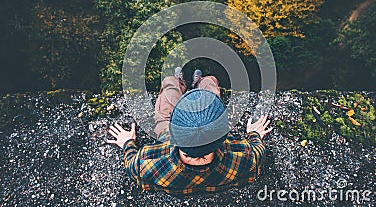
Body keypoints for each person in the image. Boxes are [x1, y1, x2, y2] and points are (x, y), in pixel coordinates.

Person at [107, 68, 273, 196]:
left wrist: (128, 143)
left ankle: (178, 83)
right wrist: (254, 134)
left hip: (169, 140)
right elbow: (259, 151)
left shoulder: (148, 162)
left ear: (173, 127)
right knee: (211, 84)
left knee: (168, 87)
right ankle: (201, 83)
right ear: (223, 133)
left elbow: (131, 165)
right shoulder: (245, 157)